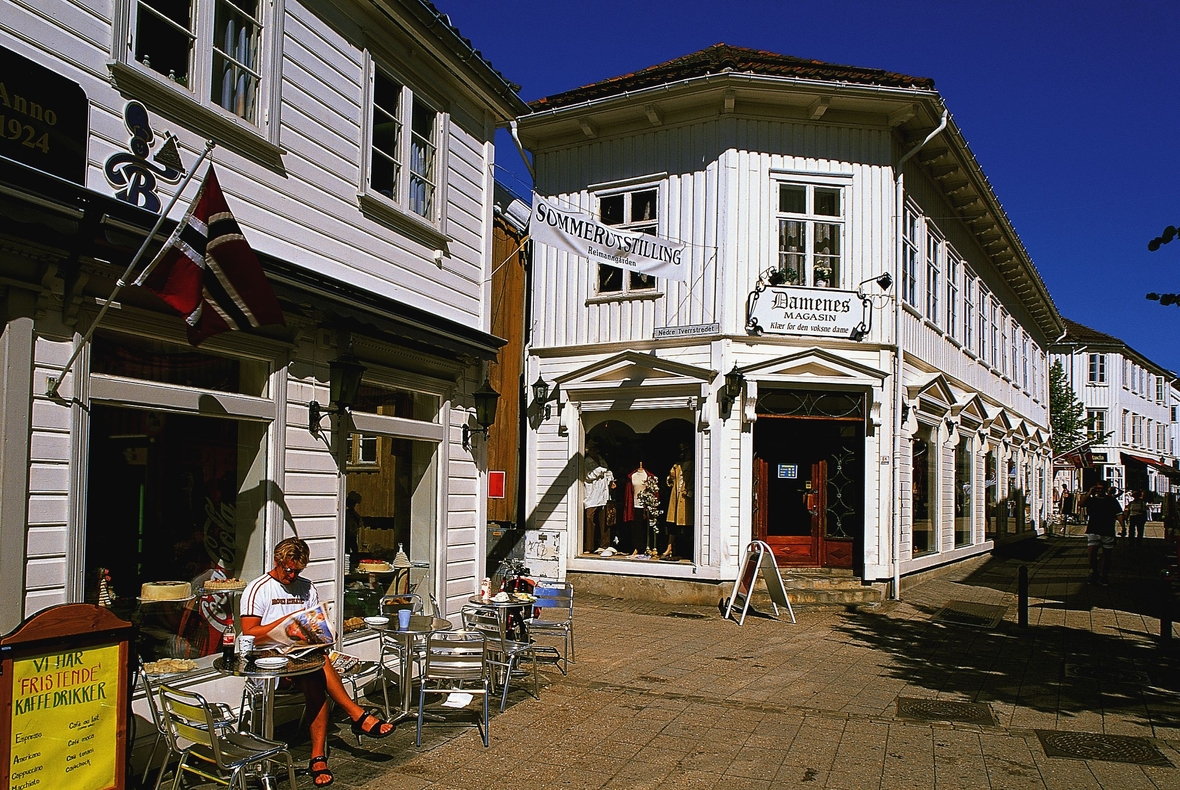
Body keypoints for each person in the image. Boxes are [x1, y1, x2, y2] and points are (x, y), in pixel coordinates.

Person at [241, 538, 394, 787]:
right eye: (288, 569)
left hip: (301, 657)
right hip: (267, 662)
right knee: (317, 670)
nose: (292, 576)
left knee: (316, 669)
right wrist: (286, 625)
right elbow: (249, 634)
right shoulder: (259, 588)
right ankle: (354, 716)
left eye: (298, 571)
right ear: (277, 562)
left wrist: (324, 635)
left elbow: (316, 627)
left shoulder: (306, 587)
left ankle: (319, 756)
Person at [1077, 481, 1122, 586]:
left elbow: (1119, 513)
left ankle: (1104, 576)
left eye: (1102, 488)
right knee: (1091, 553)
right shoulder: (1092, 500)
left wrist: (1123, 526)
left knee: (1107, 555)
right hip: (1093, 529)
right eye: (1098, 488)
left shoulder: (1111, 501)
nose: (1100, 490)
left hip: (1107, 530)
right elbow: (1081, 504)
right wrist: (1089, 493)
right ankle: (1095, 572)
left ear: (1106, 489)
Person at [582, 442, 616, 553]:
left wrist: (611, 480)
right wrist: (602, 470)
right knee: (590, 518)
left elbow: (608, 471)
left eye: (596, 449)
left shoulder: (601, 460)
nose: (594, 452)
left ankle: (604, 545)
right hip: (592, 494)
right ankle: (589, 546)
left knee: (605, 519)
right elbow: (589, 475)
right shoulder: (587, 462)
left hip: (603, 493)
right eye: (592, 449)